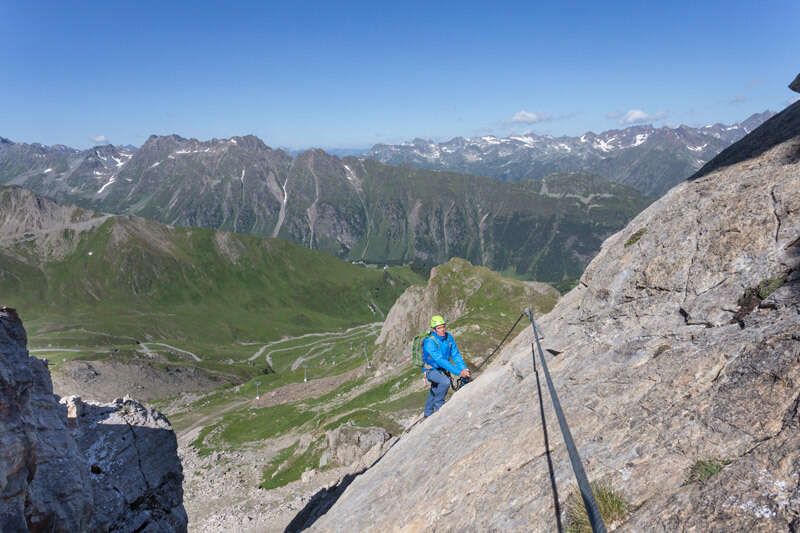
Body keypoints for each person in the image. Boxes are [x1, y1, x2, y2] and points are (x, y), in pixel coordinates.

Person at [422, 315, 471, 417]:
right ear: (434, 330)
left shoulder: (448, 338)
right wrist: (459, 372)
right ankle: (439, 405)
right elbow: (440, 360)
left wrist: (464, 368)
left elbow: (456, 354)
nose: (442, 329)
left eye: (443, 326)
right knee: (444, 382)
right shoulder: (429, 342)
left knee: (435, 388)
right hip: (430, 369)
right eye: (439, 328)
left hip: (441, 369)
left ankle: (427, 413)